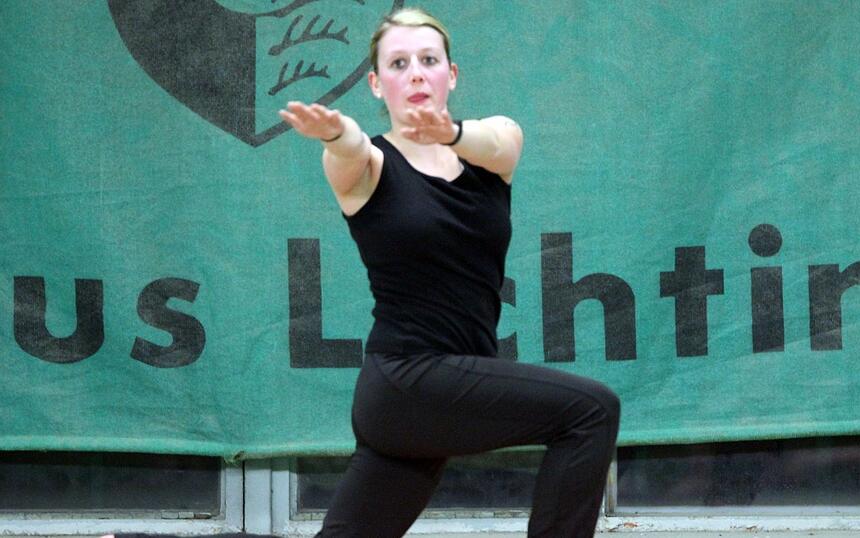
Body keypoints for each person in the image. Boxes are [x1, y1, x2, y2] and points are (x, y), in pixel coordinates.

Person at [113, 7, 619, 538]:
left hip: (438, 398)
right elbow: (351, 150)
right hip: (409, 383)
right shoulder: (369, 166)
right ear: (377, 84)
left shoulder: (492, 151)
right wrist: (340, 134)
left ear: (453, 74)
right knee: (592, 411)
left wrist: (451, 133)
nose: (417, 73)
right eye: (398, 63)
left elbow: (499, 140)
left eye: (429, 59)